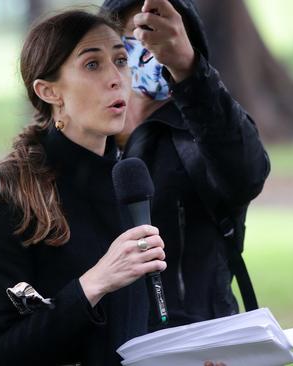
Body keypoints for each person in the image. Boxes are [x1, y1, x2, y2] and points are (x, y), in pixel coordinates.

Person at [0, 10, 167, 365]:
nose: (117, 78)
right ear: (49, 90)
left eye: (121, 60)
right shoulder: (3, 195)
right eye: (92, 65)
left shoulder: (130, 181)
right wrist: (94, 283)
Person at [100, 0, 271, 328]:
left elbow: (247, 174)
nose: (147, 46)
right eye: (134, 34)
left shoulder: (206, 129)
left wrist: (188, 71)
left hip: (199, 341)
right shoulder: (88, 137)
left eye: (158, 32)